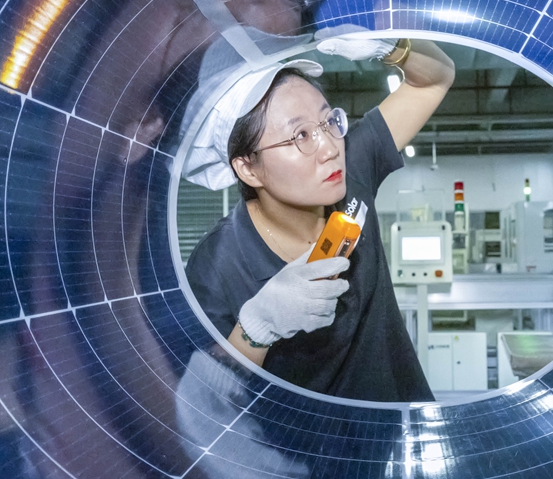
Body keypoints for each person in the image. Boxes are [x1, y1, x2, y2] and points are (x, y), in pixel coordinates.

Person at [182, 29, 455, 402]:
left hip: (400, 430)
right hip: (303, 455)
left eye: (328, 122)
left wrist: (394, 47)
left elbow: (434, 79)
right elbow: (207, 405)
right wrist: (255, 329)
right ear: (248, 169)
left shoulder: (350, 172)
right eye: (300, 136)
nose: (330, 147)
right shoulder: (216, 267)